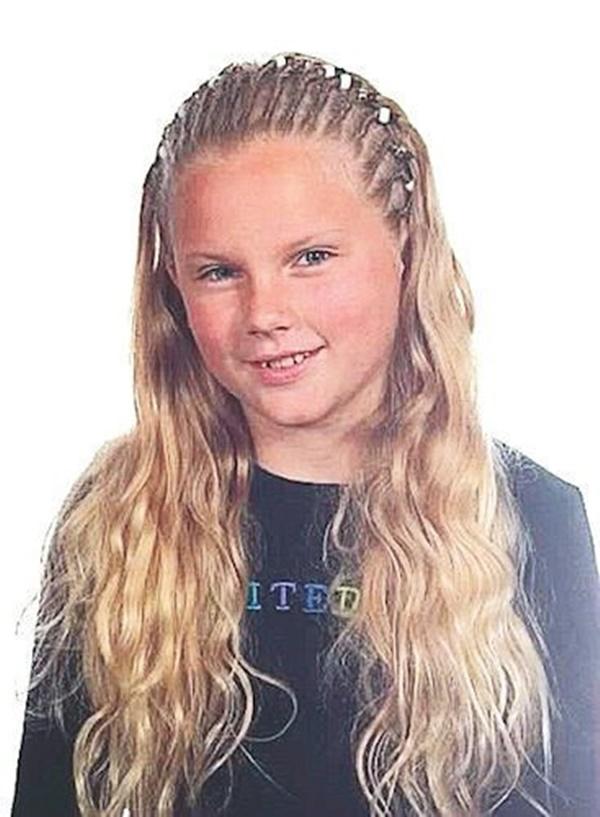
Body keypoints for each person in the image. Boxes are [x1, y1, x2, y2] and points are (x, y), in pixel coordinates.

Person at [10, 51, 600, 817]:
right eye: (219, 271)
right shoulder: (121, 521)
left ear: (405, 246)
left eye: (311, 258)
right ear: (173, 286)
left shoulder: (529, 517)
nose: (265, 313)